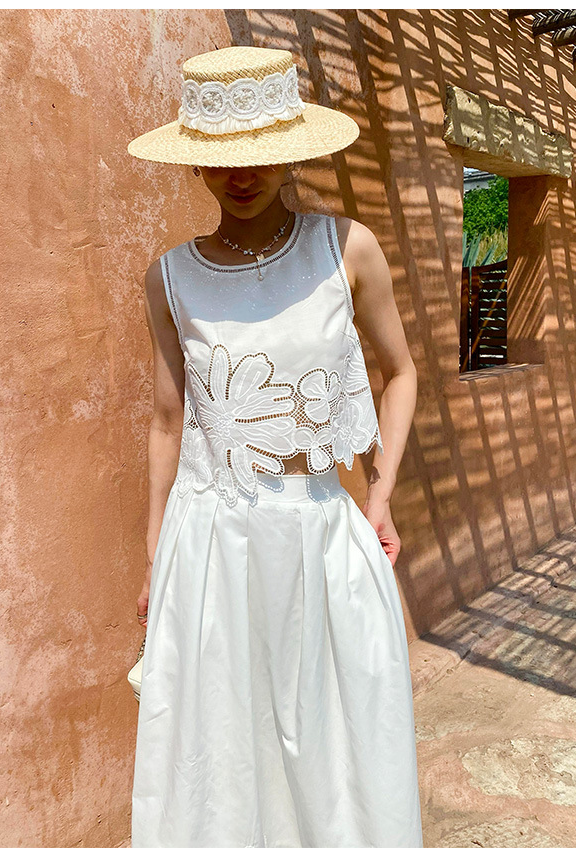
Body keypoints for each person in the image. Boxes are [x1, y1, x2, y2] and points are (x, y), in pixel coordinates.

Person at [126, 45, 422, 848]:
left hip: (322, 532)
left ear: (291, 149)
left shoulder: (345, 248)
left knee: (339, 751)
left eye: (260, 151)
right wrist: (155, 553)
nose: (242, 174)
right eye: (223, 157)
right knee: (222, 755)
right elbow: (167, 420)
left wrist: (380, 494)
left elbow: (400, 373)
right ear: (197, 161)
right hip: (212, 546)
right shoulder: (169, 278)